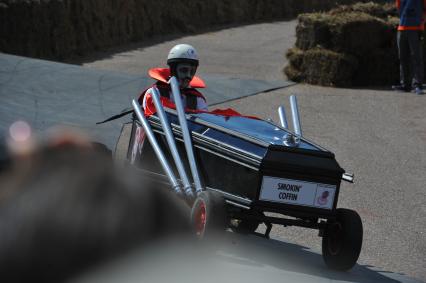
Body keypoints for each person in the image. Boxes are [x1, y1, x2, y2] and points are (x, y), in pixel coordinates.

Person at [140, 44, 208, 116]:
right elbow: (150, 118)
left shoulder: (197, 98)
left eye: (192, 71)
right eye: (184, 70)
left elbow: (206, 120)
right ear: (173, 70)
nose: (188, 76)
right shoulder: (155, 92)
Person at [393, 0, 426, 95]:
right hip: (402, 28)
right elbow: (399, 8)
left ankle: (417, 85)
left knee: (416, 57)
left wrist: (422, 22)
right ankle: (405, 85)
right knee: (403, 57)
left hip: (416, 29)